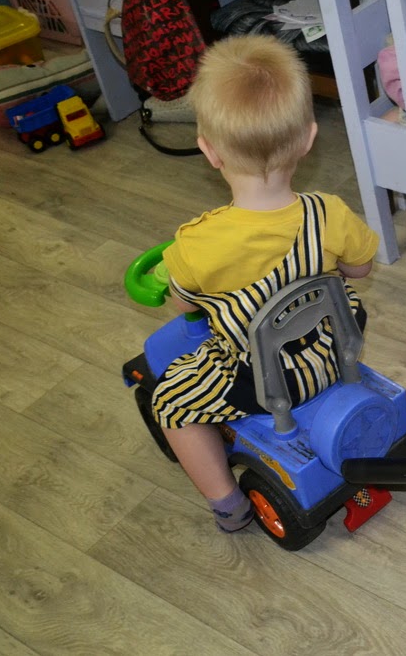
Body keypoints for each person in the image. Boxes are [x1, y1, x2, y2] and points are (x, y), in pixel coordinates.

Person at [150, 35, 379, 533]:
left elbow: (186, 302)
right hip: (335, 350)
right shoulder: (329, 212)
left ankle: (227, 502)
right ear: (308, 138)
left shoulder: (194, 243)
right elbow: (361, 269)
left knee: (169, 399)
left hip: (264, 384)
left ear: (209, 150)